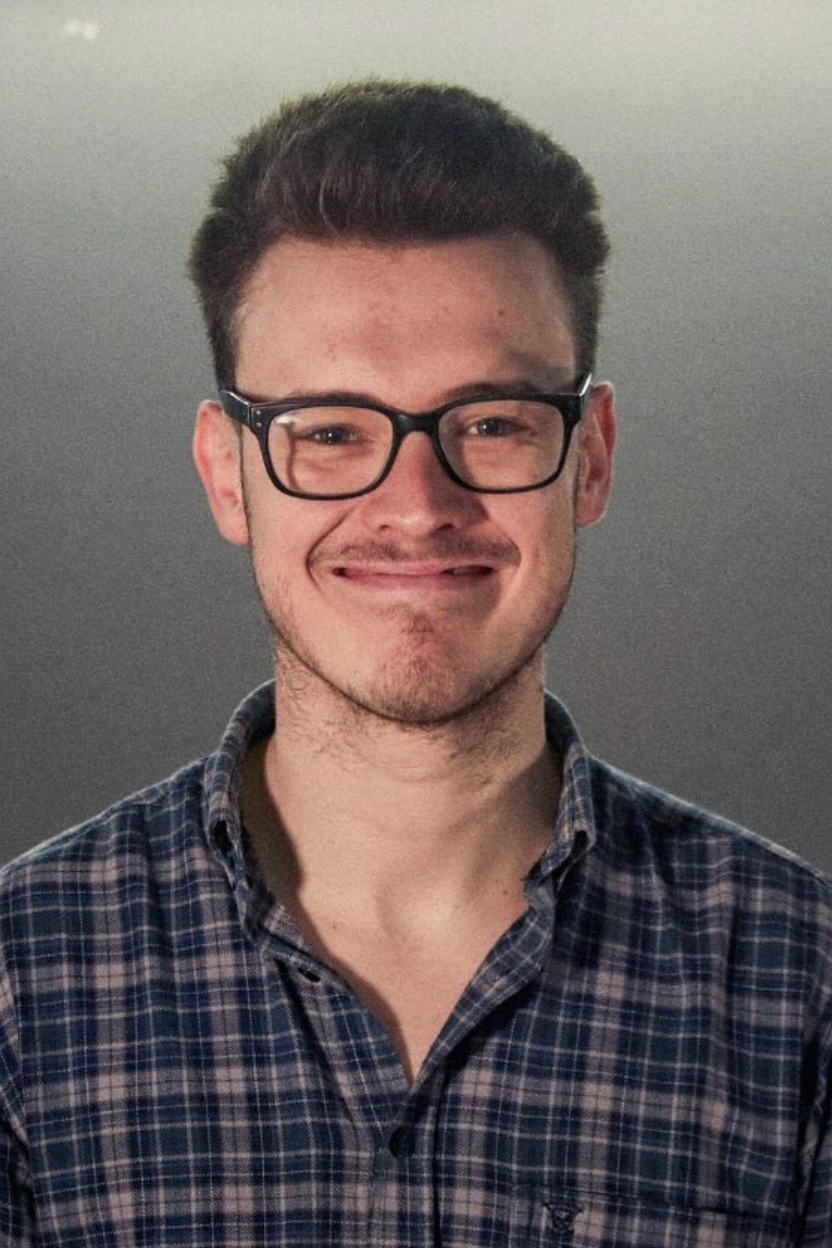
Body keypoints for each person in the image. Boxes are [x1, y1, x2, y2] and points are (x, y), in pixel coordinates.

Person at [1, 80, 829, 1248]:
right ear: (226, 473)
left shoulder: (802, 986)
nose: (415, 505)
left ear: (587, 459)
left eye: (490, 421)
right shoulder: (21, 983)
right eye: (330, 430)